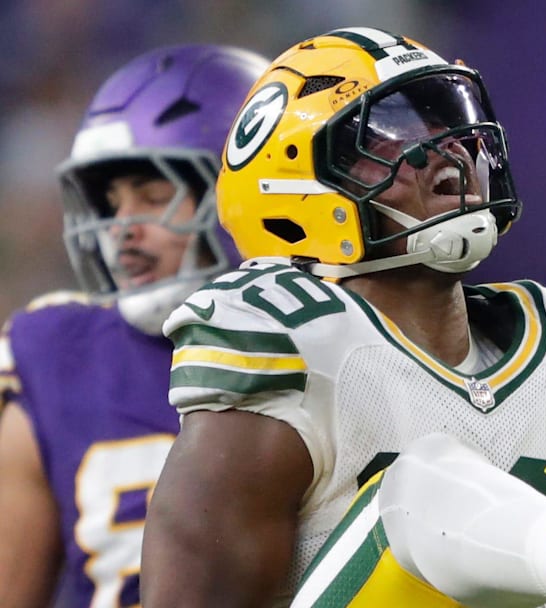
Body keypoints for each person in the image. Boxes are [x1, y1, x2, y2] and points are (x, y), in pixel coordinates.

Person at [140, 26, 546, 608]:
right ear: (300, 186)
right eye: (392, 131)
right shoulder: (293, 336)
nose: (449, 148)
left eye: (446, 119)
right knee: (417, 488)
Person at [0, 45, 268, 606]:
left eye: (152, 195)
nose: (122, 229)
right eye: (111, 202)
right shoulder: (54, 355)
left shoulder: (332, 340)